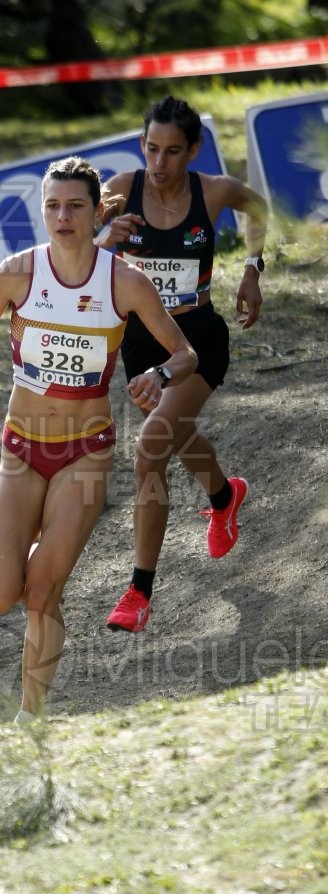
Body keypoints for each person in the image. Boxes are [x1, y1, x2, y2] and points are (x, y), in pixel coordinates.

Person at [0, 155, 197, 722]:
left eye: (74, 206)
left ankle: (31, 717)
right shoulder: (18, 272)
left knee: (42, 591)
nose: (62, 216)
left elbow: (186, 354)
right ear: (43, 211)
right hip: (21, 449)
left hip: (85, 453)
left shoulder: (124, 281)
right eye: (52, 205)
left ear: (95, 214)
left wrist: (155, 376)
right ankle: (43, 561)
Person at [97, 95, 268, 634]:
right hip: (141, 341)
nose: (159, 163)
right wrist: (104, 238)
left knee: (149, 452)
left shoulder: (213, 191)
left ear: (193, 150)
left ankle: (138, 593)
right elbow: (77, 253)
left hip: (197, 338)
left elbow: (258, 207)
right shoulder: (120, 190)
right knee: (175, 429)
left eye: (172, 151)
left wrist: (252, 269)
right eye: (151, 149)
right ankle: (224, 495)